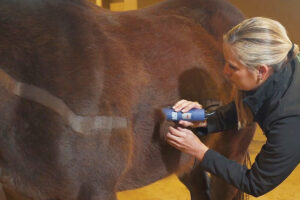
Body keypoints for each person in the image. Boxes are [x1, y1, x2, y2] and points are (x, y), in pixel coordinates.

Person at [165, 17, 300, 197]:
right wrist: (202, 119)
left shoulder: (290, 120)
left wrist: (198, 150)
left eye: (233, 67)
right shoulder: (281, 63)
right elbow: (248, 106)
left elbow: (255, 183)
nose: (225, 71)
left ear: (261, 71)